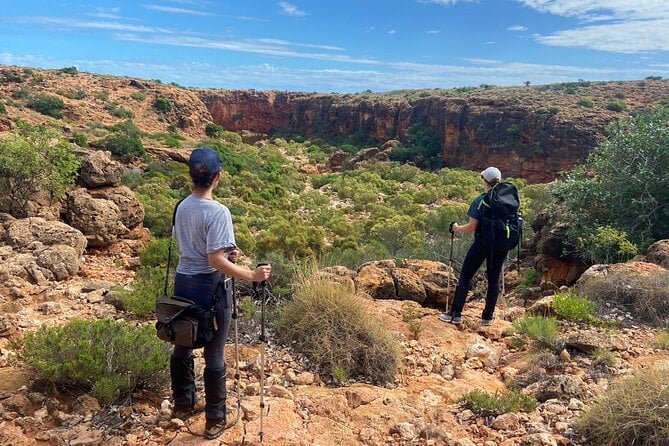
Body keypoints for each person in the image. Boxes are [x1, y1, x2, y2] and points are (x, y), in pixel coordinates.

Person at [170, 146, 271, 439]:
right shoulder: (218, 212)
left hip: (183, 283)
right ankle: (215, 419)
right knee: (214, 352)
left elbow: (190, 246)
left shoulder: (181, 206)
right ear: (218, 176)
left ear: (191, 175)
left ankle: (183, 405)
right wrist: (253, 275)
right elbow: (214, 260)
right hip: (210, 287)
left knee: (183, 343)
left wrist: (226, 252)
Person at [439, 167, 509, 326]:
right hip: (500, 246)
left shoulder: (480, 200)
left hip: (482, 244)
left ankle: (455, 314)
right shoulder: (508, 200)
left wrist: (456, 228)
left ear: (485, 181)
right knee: (494, 280)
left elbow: (471, 227)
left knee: (465, 277)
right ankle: (487, 317)